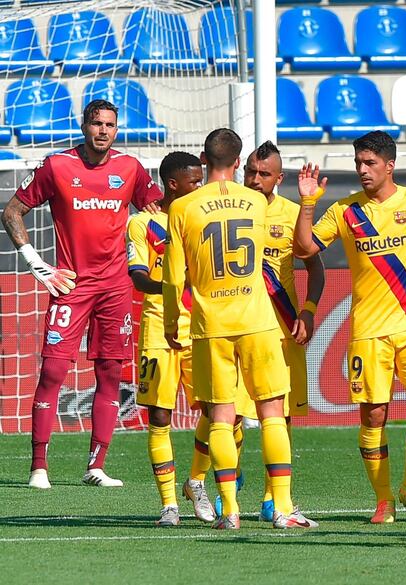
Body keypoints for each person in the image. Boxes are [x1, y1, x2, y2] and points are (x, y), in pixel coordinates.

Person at [2, 99, 162, 489]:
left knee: (109, 372)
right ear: (84, 126)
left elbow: (158, 215)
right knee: (53, 371)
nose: (103, 130)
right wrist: (36, 264)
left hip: (116, 288)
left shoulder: (131, 169)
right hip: (71, 286)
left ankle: (97, 466)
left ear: (117, 129)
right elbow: (11, 212)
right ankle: (38, 466)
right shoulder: (58, 166)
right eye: (96, 123)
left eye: (110, 124)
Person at [162, 128, 315, 530]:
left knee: (221, 418)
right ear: (238, 162)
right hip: (259, 322)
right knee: (272, 415)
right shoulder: (256, 202)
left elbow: (174, 278)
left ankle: (229, 510)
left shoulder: (182, 207)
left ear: (202, 158)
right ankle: (281, 507)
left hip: (211, 326)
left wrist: (169, 323)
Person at [293, 131, 406, 524]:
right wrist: (307, 204)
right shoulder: (344, 210)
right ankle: (384, 499)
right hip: (368, 330)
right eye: (358, 163)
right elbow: (304, 250)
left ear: (390, 165)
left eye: (370, 163)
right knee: (373, 416)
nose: (362, 170)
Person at [127, 151, 217, 526]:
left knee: (215, 412)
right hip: (158, 328)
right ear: (173, 184)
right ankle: (168, 504)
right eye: (194, 181)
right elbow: (137, 275)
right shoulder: (142, 223)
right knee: (159, 416)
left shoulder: (202, 217)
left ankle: (196, 482)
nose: (200, 186)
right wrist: (169, 286)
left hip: (201, 327)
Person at [242, 140, 325, 522]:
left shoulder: (293, 215)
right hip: (238, 327)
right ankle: (229, 484)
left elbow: (316, 270)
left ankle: (275, 498)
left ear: (279, 177)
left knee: (283, 416)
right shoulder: (229, 211)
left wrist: (307, 311)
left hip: (282, 326)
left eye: (264, 174)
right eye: (251, 172)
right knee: (233, 415)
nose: (256, 180)